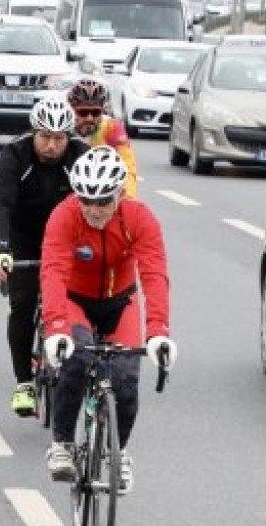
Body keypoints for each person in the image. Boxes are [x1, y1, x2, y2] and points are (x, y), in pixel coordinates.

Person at [40, 146, 177, 495]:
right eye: (86, 200)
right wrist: (56, 328)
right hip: (75, 301)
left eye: (103, 201)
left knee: (126, 380)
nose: (94, 209)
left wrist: (159, 332)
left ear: (119, 193)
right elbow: (53, 272)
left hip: (121, 301)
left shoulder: (139, 218)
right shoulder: (64, 216)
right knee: (77, 358)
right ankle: (62, 444)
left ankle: (121, 451)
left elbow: (154, 274)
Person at [0, 98, 89, 416]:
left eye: (59, 138)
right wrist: (2, 250)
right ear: (34, 133)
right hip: (23, 238)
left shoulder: (81, 155)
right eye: (45, 136)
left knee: (79, 301)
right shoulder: (14, 154)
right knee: (24, 302)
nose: (52, 145)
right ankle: (24, 382)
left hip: (68, 238)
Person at [67, 78, 138, 198]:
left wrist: (128, 198)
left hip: (101, 187)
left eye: (95, 112)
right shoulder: (63, 128)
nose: (89, 118)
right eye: (83, 112)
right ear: (72, 110)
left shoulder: (111, 127)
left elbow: (128, 167)